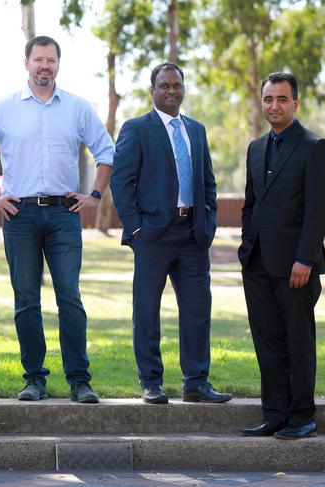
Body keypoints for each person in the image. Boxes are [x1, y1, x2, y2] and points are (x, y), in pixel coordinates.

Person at [0, 35, 115, 403]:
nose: (45, 66)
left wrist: (94, 195)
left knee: (70, 299)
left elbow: (107, 151)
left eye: (51, 60)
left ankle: (79, 381)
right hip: (19, 214)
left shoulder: (78, 108)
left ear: (58, 65)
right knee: (26, 301)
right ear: (27, 63)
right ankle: (34, 379)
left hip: (65, 214)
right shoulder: (4, 109)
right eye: (39, 60)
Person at [110, 62, 232, 405]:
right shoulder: (137, 129)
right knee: (146, 310)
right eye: (164, 86)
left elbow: (208, 182)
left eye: (176, 85)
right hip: (152, 234)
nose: (171, 91)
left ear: (183, 88)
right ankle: (150, 381)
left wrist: (207, 221)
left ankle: (196, 382)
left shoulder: (196, 129)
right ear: (153, 91)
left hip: (193, 233)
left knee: (197, 308)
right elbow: (121, 181)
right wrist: (136, 227)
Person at [238, 72, 325, 439]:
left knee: (298, 341)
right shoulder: (256, 148)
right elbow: (250, 204)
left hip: (297, 265)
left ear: (295, 103)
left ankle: (302, 416)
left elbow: (319, 209)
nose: (273, 106)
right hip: (258, 262)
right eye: (268, 99)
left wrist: (305, 259)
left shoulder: (314, 146)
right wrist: (247, 244)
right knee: (268, 342)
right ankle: (274, 413)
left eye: (281, 99)